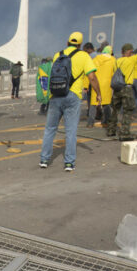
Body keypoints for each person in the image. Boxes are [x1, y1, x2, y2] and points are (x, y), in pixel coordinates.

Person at [39, 32, 100, 172]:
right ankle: (69, 163)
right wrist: (98, 93)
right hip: (73, 96)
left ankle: (44, 159)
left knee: (50, 129)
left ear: (67, 42)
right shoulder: (84, 56)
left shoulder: (57, 54)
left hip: (56, 94)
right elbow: (92, 77)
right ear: (80, 45)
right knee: (71, 130)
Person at [108, 42, 137, 140]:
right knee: (128, 110)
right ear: (129, 52)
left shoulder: (117, 60)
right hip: (127, 88)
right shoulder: (131, 60)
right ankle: (124, 133)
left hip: (117, 87)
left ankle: (111, 130)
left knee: (115, 110)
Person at [87, 46, 116, 128]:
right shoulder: (113, 59)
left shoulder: (96, 59)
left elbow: (90, 72)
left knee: (93, 104)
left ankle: (90, 122)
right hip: (107, 84)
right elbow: (115, 72)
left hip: (96, 83)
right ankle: (106, 120)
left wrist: (86, 86)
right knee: (106, 103)